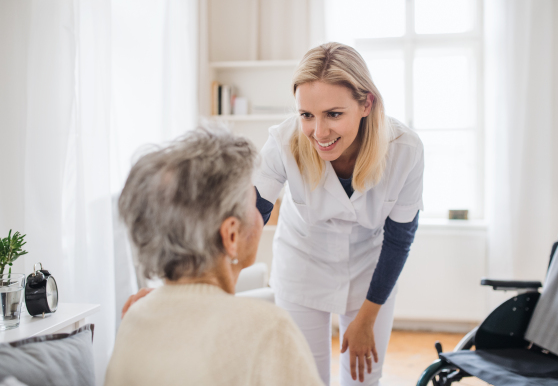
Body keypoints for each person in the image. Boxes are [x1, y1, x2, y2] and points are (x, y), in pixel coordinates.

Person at [253, 42, 423, 385]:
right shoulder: (284, 142)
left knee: (363, 378)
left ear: (366, 104)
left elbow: (399, 239)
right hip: (301, 264)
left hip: (371, 268)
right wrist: (185, 286)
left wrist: (367, 316)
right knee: (304, 378)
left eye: (333, 114)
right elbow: (249, 214)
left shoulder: (404, 149)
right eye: (306, 115)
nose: (319, 132)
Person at [105, 125, 323, 386]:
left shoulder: (134, 319)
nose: (260, 212)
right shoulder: (267, 330)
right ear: (231, 235)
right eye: (251, 200)